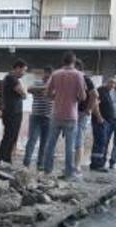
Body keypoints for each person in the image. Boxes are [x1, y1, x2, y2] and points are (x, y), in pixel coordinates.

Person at [42, 51, 86, 179]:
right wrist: (75, 97)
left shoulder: (55, 74)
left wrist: (57, 97)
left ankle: (47, 171)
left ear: (63, 61)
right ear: (74, 61)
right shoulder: (78, 75)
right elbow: (82, 96)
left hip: (56, 114)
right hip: (71, 115)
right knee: (70, 146)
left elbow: (47, 93)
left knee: (50, 144)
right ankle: (68, 173)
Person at [0, 59, 28, 163]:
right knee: (9, 136)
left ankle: (6, 159)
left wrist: (23, 94)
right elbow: (23, 93)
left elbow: (23, 94)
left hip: (14, 112)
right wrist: (23, 93)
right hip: (12, 112)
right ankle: (3, 159)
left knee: (12, 136)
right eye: (23, 70)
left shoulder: (12, 78)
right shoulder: (11, 78)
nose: (24, 73)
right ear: (18, 68)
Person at [23, 66, 53, 170]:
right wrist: (45, 88)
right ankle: (26, 163)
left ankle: (40, 164)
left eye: (49, 75)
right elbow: (29, 89)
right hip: (36, 116)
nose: (47, 76)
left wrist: (49, 89)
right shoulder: (37, 83)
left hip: (48, 118)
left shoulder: (54, 85)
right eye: (46, 74)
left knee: (44, 142)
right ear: (44, 74)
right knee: (32, 140)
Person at [73, 59, 98, 176]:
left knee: (78, 139)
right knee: (72, 139)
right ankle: (73, 165)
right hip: (71, 112)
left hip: (81, 113)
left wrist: (89, 109)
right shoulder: (73, 79)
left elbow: (95, 95)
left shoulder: (86, 79)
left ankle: (77, 166)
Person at [90, 77, 115, 171]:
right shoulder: (101, 91)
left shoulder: (107, 92)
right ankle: (97, 164)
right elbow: (95, 104)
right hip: (99, 121)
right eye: (111, 83)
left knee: (102, 142)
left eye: (114, 84)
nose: (113, 86)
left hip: (106, 121)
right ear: (107, 83)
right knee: (100, 142)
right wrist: (99, 117)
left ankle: (97, 163)